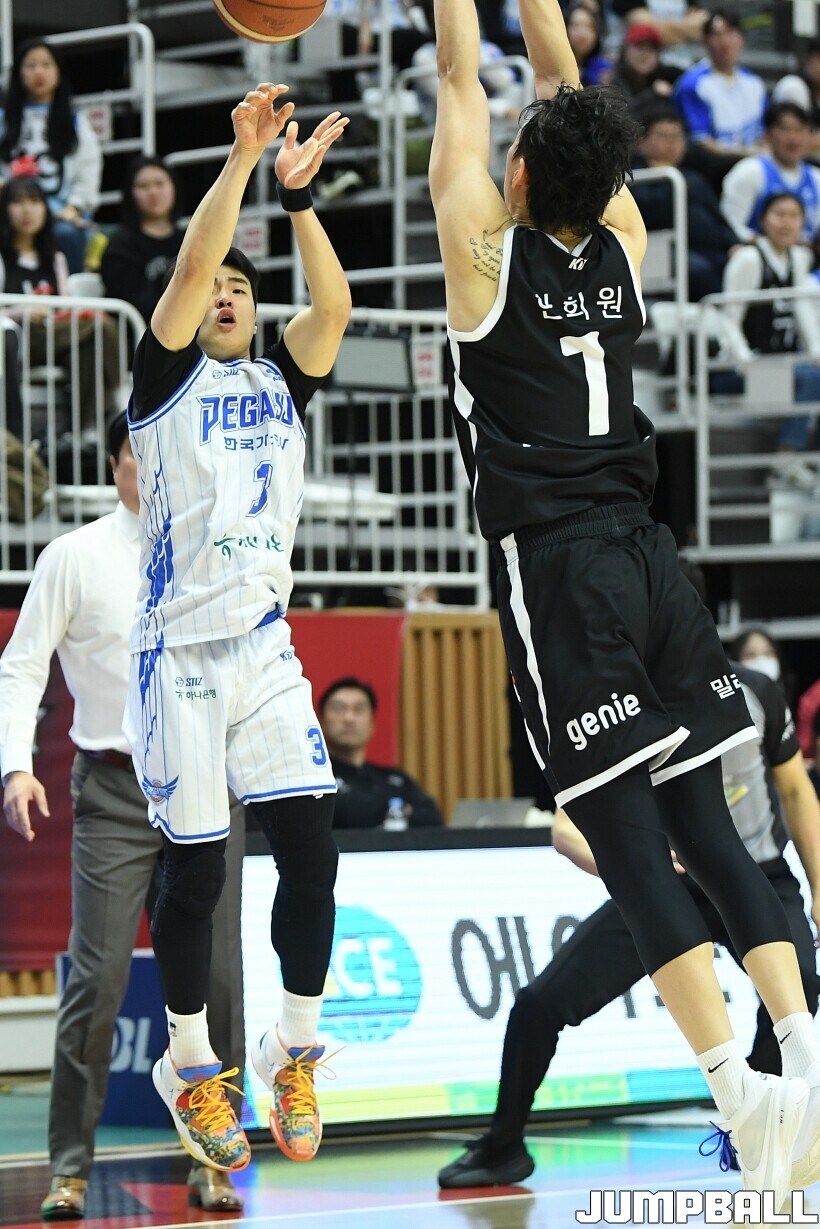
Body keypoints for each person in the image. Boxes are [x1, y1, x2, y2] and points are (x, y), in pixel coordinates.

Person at [429, 0, 820, 1205]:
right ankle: (803, 1051)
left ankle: (741, 1093)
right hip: (656, 560)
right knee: (712, 829)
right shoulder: (625, 240)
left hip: (564, 574)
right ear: (602, 179)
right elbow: (559, 93)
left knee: (635, 850)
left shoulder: (483, 262)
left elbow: (457, 80)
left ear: (517, 171)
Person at [123, 83, 351, 1174]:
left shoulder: (279, 381)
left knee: (313, 851)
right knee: (198, 874)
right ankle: (188, 1062)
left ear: (255, 312)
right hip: (178, 652)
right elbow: (186, 274)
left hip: (264, 645)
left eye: (240, 287)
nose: (224, 293)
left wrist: (298, 201)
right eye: (215, 281)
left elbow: (334, 308)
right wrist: (245, 160)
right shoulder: (164, 383)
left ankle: (291, 1048)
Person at [438, 651, 820, 1188]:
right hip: (664, 886)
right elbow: (565, 828)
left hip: (757, 877)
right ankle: (503, 1145)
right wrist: (633, 863)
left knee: (801, 982)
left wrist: (819, 887)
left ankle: (761, 1127)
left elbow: (797, 789)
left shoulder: (753, 691)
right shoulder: (614, 705)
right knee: (539, 1004)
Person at [0, 412, 246, 1218]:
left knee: (216, 979)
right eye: (142, 456)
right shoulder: (74, 556)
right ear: (116, 467)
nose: (158, 469)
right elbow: (21, 666)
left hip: (207, 785)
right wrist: (15, 765)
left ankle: (213, 1157)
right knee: (97, 978)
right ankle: (70, 1164)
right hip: (112, 790)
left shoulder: (219, 551)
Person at [0, 176, 121, 434]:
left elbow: (64, 306)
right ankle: (120, 396)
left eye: (34, 201)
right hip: (19, 339)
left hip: (55, 334)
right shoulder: (2, 258)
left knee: (89, 344)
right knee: (99, 327)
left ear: (45, 209)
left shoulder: (55, 258)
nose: (27, 210)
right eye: (18, 202)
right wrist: (23, 312)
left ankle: (84, 432)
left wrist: (72, 315)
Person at [720, 193, 820, 459]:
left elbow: (802, 309)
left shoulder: (799, 257)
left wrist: (815, 351)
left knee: (813, 373)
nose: (787, 223)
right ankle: (786, 459)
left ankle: (807, 460)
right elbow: (728, 318)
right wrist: (746, 363)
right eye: (779, 215)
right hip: (743, 370)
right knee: (813, 379)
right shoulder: (748, 258)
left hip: (783, 364)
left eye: (794, 216)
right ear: (763, 220)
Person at [0, 40, 102, 274]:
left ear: (58, 73)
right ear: (18, 73)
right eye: (30, 65)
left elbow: (88, 171)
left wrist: (75, 207)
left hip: (59, 214)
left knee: (66, 235)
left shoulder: (75, 123)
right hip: (8, 210)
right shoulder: (4, 121)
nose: (39, 72)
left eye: (46, 65)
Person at [631, 105, 737, 301]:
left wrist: (734, 244)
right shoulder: (635, 179)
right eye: (663, 136)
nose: (672, 143)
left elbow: (719, 220)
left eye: (677, 136)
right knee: (701, 270)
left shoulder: (694, 178)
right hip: (665, 255)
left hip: (711, 252)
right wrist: (664, 175)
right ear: (642, 141)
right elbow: (650, 215)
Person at [318, 676, 444, 828]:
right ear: (321, 722)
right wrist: (396, 813)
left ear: (372, 723)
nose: (349, 718)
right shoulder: (315, 778)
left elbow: (431, 817)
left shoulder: (394, 778)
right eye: (339, 709)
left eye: (359, 710)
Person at [672, 10, 767, 182]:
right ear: (705, 42)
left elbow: (764, 133)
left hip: (755, 165)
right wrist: (750, 154)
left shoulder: (754, 83)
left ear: (742, 38)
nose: (724, 42)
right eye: (716, 35)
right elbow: (701, 143)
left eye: (730, 33)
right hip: (715, 169)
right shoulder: (692, 84)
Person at [720, 104, 820, 248]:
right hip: (758, 254)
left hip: (805, 256)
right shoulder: (749, 172)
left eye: (800, 130)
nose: (793, 139)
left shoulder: (816, 178)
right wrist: (771, 246)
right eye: (785, 130)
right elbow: (730, 225)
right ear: (767, 135)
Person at [101, 157, 184, 327]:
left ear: (174, 187)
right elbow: (132, 301)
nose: (153, 192)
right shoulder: (121, 245)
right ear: (130, 193)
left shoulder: (189, 239)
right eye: (143, 186)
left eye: (160, 184)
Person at [609, 24, 681, 113]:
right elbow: (621, 113)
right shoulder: (614, 78)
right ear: (625, 50)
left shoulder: (667, 74)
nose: (645, 55)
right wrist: (653, 94)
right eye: (640, 47)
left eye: (651, 49)